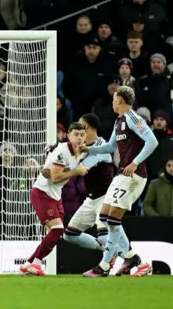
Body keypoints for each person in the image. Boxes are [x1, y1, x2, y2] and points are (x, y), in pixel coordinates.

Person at [81, 86, 157, 277]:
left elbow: (152, 141)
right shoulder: (119, 121)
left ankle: (104, 266)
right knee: (106, 217)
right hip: (121, 174)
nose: (112, 102)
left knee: (113, 218)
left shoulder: (133, 118)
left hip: (133, 175)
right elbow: (109, 147)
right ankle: (132, 259)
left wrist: (135, 162)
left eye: (114, 99)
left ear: (120, 101)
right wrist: (88, 150)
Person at [20, 122, 89, 276]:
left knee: (57, 232)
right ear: (68, 135)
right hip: (42, 192)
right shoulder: (62, 151)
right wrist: (76, 171)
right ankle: (37, 263)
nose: (79, 138)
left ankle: (28, 264)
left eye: (81, 135)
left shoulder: (82, 152)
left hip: (55, 195)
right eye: (75, 134)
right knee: (57, 229)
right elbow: (56, 177)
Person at [61, 114, 116, 254]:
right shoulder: (84, 147)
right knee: (69, 235)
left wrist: (57, 163)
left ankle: (134, 261)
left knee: (104, 236)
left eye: (80, 126)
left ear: (86, 127)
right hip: (91, 200)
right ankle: (108, 251)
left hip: (106, 198)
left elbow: (82, 168)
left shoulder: (102, 147)